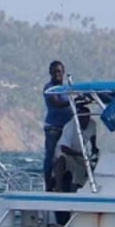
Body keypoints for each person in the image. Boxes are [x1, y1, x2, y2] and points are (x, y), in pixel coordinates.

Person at [52, 100, 97, 194]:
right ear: (78, 118)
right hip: (67, 152)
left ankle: (79, 190)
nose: (86, 120)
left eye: (87, 117)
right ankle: (58, 187)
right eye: (83, 118)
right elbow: (63, 148)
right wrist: (78, 154)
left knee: (86, 169)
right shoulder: (70, 127)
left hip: (80, 153)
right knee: (62, 159)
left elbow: (93, 135)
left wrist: (94, 147)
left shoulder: (92, 124)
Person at [42, 60, 71, 191]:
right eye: (54, 72)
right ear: (50, 73)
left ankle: (63, 184)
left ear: (63, 72)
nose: (57, 74)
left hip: (67, 128)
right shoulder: (49, 88)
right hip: (53, 128)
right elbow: (56, 103)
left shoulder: (66, 88)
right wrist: (73, 101)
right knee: (51, 156)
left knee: (66, 156)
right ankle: (48, 185)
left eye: (59, 71)